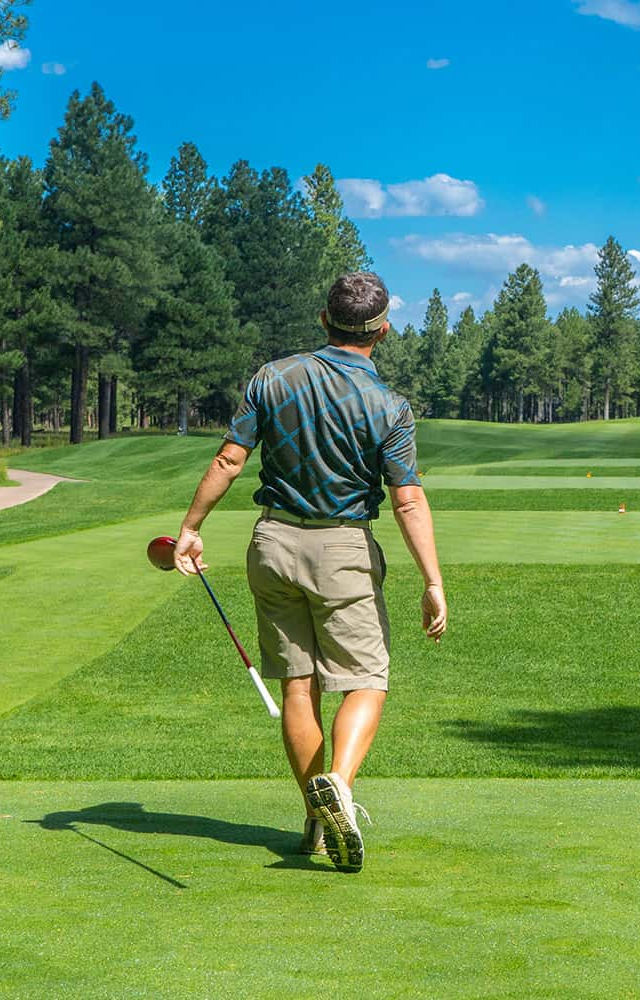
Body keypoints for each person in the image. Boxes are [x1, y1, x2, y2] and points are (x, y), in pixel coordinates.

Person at [174, 271, 447, 873]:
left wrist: (192, 526)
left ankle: (317, 818)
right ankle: (340, 790)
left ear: (324, 320)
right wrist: (432, 581)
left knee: (299, 685)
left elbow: (229, 458)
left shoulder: (272, 377)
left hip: (272, 543)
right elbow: (406, 500)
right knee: (365, 680)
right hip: (343, 548)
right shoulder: (390, 406)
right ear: (384, 329)